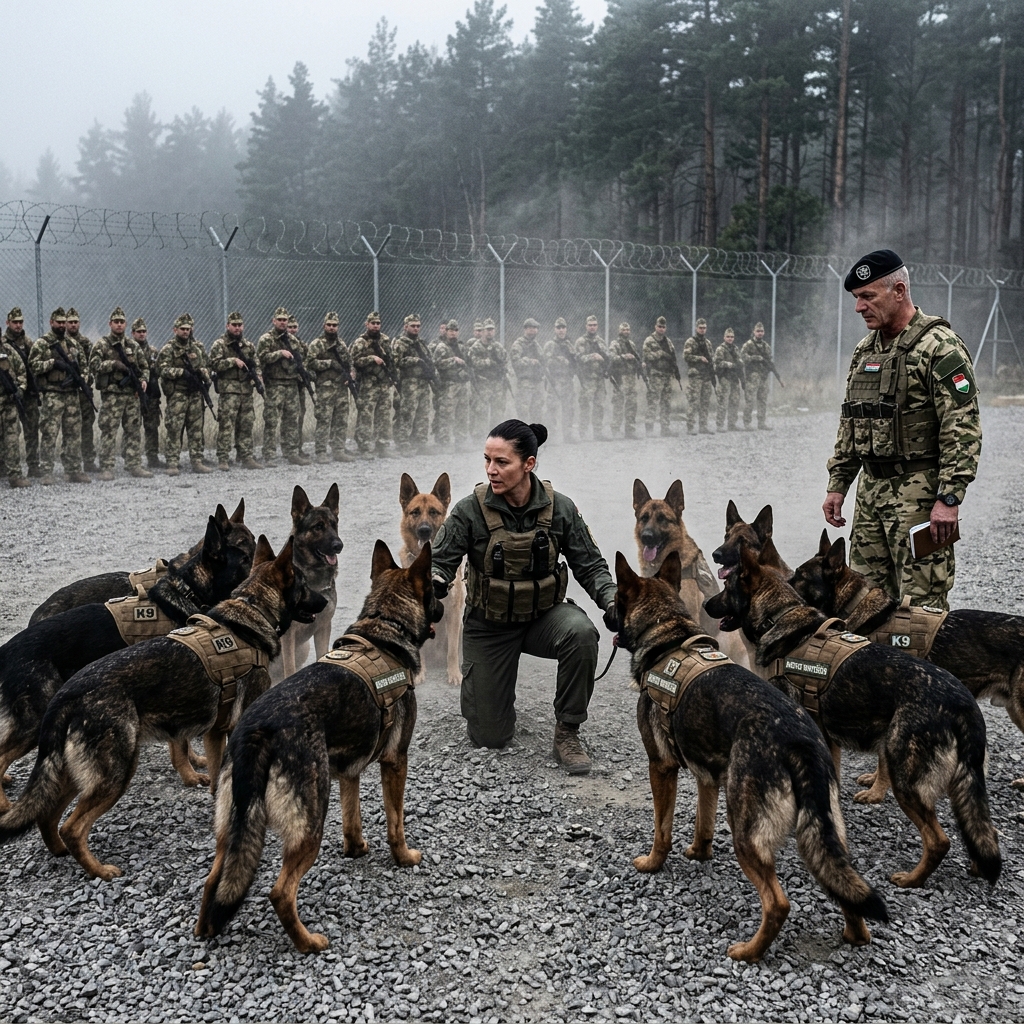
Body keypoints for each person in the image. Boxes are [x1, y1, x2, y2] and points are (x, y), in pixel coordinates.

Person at [430, 419, 617, 774]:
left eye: (502, 462)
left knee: (581, 634)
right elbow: (440, 562)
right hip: (489, 625)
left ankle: (567, 732)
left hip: (542, 618)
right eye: (487, 460)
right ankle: (495, 698)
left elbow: (591, 565)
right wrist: (436, 582)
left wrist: (612, 602)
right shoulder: (470, 510)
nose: (491, 470)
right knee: (490, 736)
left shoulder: (559, 508)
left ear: (528, 463)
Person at [823, 248, 981, 610]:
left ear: (898, 291)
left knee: (920, 609)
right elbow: (852, 422)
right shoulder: (865, 351)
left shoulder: (939, 347)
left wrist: (950, 497)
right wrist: (838, 484)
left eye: (867, 297)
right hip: (870, 497)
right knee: (862, 604)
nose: (859, 307)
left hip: (920, 499)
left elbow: (962, 427)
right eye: (856, 298)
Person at [29, 307, 91, 485]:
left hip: (71, 394)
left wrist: (82, 379)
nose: (62, 325)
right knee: (49, 433)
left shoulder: (73, 344)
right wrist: (53, 363)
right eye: (59, 322)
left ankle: (73, 470)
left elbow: (84, 366)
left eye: (64, 322)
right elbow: (33, 366)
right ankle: (46, 471)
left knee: (73, 434)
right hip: (52, 394)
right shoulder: (42, 344)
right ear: (51, 322)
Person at [89, 306, 152, 480]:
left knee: (133, 430)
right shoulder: (102, 344)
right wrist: (112, 365)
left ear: (125, 325)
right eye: (116, 322)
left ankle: (133, 465)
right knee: (109, 430)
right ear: (110, 324)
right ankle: (106, 467)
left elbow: (144, 366)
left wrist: (144, 379)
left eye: (122, 322)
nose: (119, 325)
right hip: (112, 396)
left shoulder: (133, 346)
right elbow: (93, 366)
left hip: (131, 395)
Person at [158, 313, 212, 476]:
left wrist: (204, 373)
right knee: (175, 428)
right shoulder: (169, 349)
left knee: (196, 429)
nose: (185, 332)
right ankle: (172, 463)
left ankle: (197, 461)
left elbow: (208, 366)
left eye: (188, 329)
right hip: (178, 394)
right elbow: (161, 369)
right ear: (175, 330)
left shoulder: (197, 348)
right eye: (182, 329)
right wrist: (181, 372)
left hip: (195, 394)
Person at [209, 311, 263, 471]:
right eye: (234, 325)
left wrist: (258, 376)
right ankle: (223, 458)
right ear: (228, 326)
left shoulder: (248, 346)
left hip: (246, 392)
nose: (237, 328)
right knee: (226, 425)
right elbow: (213, 364)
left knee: (246, 424)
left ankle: (246, 456)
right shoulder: (219, 344)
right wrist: (232, 361)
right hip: (229, 392)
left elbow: (256, 363)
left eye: (240, 325)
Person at [257, 307, 310, 466]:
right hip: (275, 384)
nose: (282, 322)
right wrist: (279, 353)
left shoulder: (293, 341)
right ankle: (269, 454)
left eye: (285, 320)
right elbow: (262, 358)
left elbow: (303, 359)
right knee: (272, 420)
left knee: (291, 420)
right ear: (274, 321)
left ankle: (291, 452)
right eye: (279, 320)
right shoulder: (266, 339)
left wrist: (302, 372)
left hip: (291, 384)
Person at [307, 311, 356, 463]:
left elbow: (349, 363)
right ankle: (321, 451)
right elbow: (310, 363)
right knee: (324, 420)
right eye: (329, 325)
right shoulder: (317, 344)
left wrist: (350, 375)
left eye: (334, 325)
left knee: (341, 420)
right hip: (325, 388)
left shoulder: (341, 344)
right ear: (324, 326)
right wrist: (328, 364)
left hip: (341, 388)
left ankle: (338, 450)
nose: (332, 328)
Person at [350, 311, 398, 460]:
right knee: (366, 415)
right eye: (373, 323)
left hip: (383, 383)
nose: (376, 326)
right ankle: (364, 445)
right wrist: (371, 359)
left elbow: (390, 360)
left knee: (383, 415)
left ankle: (382, 445)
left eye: (378, 323)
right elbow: (355, 361)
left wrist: (392, 377)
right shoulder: (360, 342)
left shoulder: (385, 340)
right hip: (368, 384)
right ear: (367, 324)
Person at [4, 308, 40, 477]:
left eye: (20, 322)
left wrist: (29, 388)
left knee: (31, 430)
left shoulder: (28, 342)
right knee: (10, 431)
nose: (18, 325)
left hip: (28, 393)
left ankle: (33, 465)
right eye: (15, 322)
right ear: (8, 323)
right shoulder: (3, 344)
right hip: (10, 396)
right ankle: (6, 466)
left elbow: (33, 365)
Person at [392, 313, 434, 454]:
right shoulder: (400, 343)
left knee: (423, 413)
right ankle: (403, 443)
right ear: (406, 327)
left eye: (418, 326)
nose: (416, 329)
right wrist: (414, 361)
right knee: (407, 412)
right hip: (409, 382)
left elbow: (429, 360)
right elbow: (396, 362)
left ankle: (421, 442)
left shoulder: (421, 344)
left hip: (423, 382)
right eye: (413, 326)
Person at [65, 308, 98, 473]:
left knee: (87, 426)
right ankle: (69, 462)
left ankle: (89, 461)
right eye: (70, 322)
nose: (72, 325)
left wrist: (86, 379)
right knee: (68, 427)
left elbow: (92, 365)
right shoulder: (60, 343)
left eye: (75, 322)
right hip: (66, 391)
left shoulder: (85, 343)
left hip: (83, 391)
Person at [432, 319, 472, 447]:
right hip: (449, 384)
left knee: (462, 412)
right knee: (446, 413)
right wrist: (453, 360)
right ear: (446, 332)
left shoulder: (461, 347)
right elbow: (437, 364)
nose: (453, 333)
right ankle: (443, 441)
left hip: (462, 384)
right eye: (450, 330)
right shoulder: (441, 347)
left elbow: (468, 363)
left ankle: (460, 441)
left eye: (455, 330)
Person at [132, 317, 163, 469]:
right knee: (132, 426)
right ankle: (132, 458)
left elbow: (158, 370)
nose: (142, 334)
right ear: (133, 334)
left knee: (152, 426)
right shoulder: (129, 351)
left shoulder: (153, 351)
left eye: (144, 331)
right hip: (135, 394)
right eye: (139, 332)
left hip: (151, 394)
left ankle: (152, 457)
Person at [468, 317, 508, 434]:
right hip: (482, 383)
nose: (490, 332)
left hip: (496, 383)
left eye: (492, 329)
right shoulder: (475, 347)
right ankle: (479, 437)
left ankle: (495, 436)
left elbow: (505, 360)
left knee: (498, 411)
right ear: (483, 331)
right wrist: (488, 362)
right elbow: (473, 363)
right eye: (487, 329)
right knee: (481, 411)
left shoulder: (498, 347)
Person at [0, 330, 29, 487]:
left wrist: (19, 389)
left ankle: (15, 475)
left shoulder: (9, 352)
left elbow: (22, 373)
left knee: (11, 439)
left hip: (9, 403)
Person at [642, 316, 678, 437]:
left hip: (667, 376)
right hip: (656, 375)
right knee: (653, 401)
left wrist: (674, 369)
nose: (661, 329)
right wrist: (660, 353)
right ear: (655, 327)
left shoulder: (668, 342)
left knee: (666, 403)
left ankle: (665, 428)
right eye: (659, 327)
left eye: (663, 327)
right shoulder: (649, 340)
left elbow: (673, 357)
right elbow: (647, 356)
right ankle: (649, 428)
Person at [542, 317, 577, 441]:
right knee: (552, 408)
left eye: (563, 328)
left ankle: (568, 434)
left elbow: (575, 362)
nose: (561, 330)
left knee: (569, 408)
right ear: (554, 329)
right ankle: (550, 435)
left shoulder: (569, 345)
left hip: (567, 380)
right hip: (554, 381)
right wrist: (559, 360)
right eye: (558, 328)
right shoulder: (550, 345)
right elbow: (545, 362)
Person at [574, 316, 608, 439]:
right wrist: (592, 356)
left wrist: (603, 360)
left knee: (599, 405)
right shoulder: (581, 341)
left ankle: (598, 432)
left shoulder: (600, 341)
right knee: (585, 405)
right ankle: (582, 433)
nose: (592, 327)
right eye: (590, 325)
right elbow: (578, 358)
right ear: (586, 326)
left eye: (594, 325)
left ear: (597, 326)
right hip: (586, 379)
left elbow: (606, 357)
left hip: (599, 378)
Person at [509, 318, 546, 422]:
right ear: (525, 329)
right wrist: (529, 361)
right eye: (530, 328)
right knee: (523, 411)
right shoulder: (519, 344)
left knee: (537, 410)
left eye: (535, 328)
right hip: (525, 382)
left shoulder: (536, 345)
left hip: (537, 382)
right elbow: (515, 362)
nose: (533, 330)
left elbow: (542, 361)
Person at [682, 317, 715, 434]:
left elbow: (711, 358)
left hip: (706, 376)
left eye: (704, 328)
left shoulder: (708, 343)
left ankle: (703, 426)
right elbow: (686, 356)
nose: (702, 330)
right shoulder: (690, 342)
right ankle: (690, 427)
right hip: (696, 375)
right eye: (700, 328)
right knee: (694, 401)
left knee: (705, 402)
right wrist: (699, 358)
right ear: (696, 328)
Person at [608, 322, 641, 439]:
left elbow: (636, 359)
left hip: (631, 378)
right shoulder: (615, 344)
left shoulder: (631, 344)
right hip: (620, 378)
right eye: (624, 330)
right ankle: (615, 430)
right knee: (618, 403)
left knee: (632, 404)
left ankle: (630, 430)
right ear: (619, 331)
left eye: (628, 330)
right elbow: (611, 358)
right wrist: (624, 356)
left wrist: (640, 365)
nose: (626, 332)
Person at [740, 321, 773, 430]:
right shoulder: (748, 345)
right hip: (752, 376)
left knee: (763, 400)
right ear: (754, 332)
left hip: (763, 377)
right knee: (750, 400)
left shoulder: (766, 346)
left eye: (762, 331)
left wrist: (767, 371)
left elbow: (769, 361)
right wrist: (754, 358)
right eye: (758, 331)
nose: (760, 333)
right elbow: (742, 357)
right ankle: (747, 422)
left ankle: (761, 423)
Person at [713, 328, 743, 431]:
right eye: (728, 337)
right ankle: (720, 425)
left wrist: (740, 364)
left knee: (735, 401)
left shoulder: (735, 349)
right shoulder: (720, 349)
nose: (730, 339)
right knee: (723, 402)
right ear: (724, 337)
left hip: (734, 378)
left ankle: (732, 424)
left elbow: (739, 361)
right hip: (724, 378)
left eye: (732, 337)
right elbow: (717, 363)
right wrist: (729, 364)